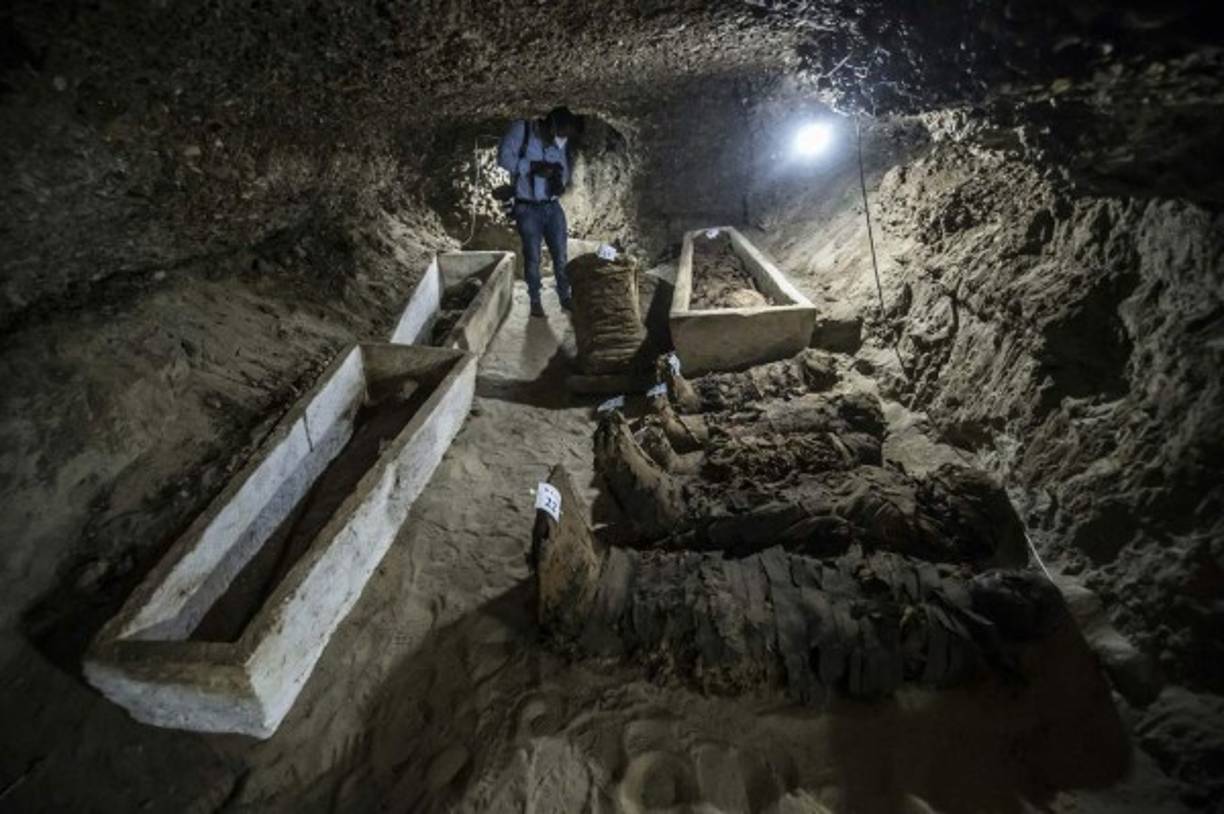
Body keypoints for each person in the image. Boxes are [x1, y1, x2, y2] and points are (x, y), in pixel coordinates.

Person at [497, 106, 581, 317]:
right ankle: (535, 300)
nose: (560, 140)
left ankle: (565, 296)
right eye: (559, 135)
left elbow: (561, 164)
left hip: (552, 206)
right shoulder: (522, 130)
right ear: (549, 126)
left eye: (564, 136)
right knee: (532, 256)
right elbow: (504, 158)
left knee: (560, 255)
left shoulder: (559, 140)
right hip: (527, 207)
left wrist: (559, 180)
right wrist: (532, 167)